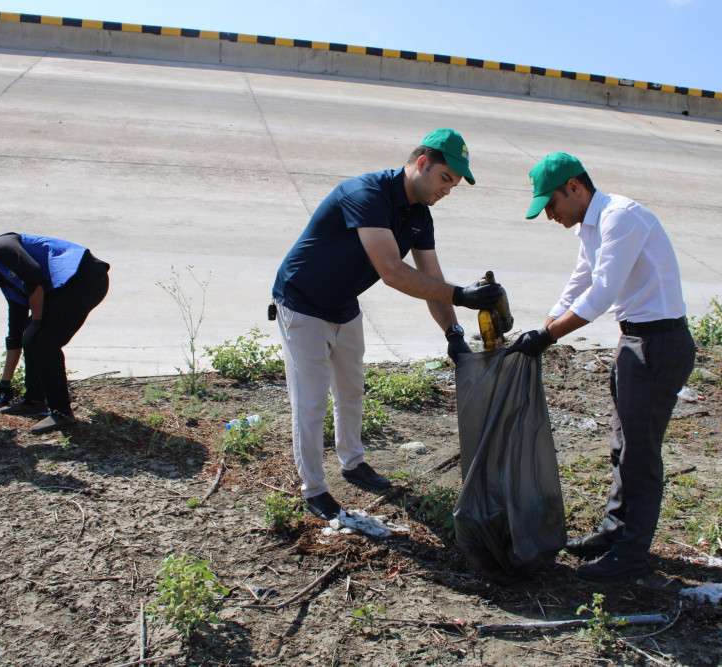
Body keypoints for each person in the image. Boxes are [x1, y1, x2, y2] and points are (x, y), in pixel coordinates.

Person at [272, 128, 501, 521]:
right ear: (422, 164)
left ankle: (353, 463)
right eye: (446, 178)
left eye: (455, 185)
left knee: (351, 392)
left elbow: (432, 278)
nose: (448, 190)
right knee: (310, 405)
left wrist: (454, 334)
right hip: (303, 305)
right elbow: (392, 272)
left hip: (344, 306)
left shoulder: (419, 215)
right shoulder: (367, 194)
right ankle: (314, 489)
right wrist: (462, 296)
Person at [509, 152, 696, 582]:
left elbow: (604, 292)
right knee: (621, 447)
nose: (550, 215)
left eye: (551, 204)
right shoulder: (590, 227)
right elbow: (581, 282)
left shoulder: (620, 218)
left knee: (640, 455)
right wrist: (542, 327)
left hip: (659, 342)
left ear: (575, 187)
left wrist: (551, 337)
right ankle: (613, 533)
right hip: (635, 340)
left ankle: (630, 556)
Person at [0, 234, 110, 434]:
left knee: (44, 340)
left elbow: (33, 272)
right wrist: (5, 383)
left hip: (84, 276)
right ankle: (34, 399)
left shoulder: (0, 247)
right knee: (32, 335)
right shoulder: (8, 282)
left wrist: (36, 321)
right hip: (76, 283)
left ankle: (61, 412)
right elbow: (16, 335)